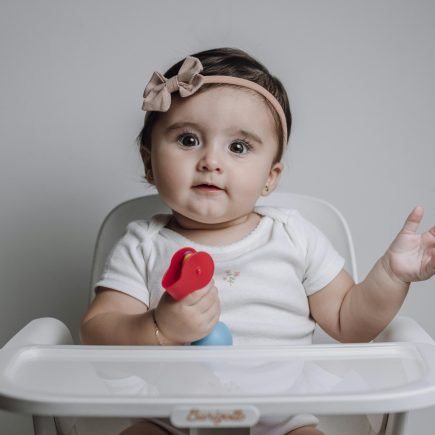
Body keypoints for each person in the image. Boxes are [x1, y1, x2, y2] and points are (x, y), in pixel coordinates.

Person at [80, 47, 435, 435]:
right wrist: (159, 327)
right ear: (149, 161)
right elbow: (97, 331)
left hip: (283, 420)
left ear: (271, 175)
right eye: (187, 139)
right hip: (167, 418)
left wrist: (391, 274)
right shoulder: (143, 244)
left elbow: (350, 322)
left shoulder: (293, 236)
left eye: (238, 147)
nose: (211, 161)